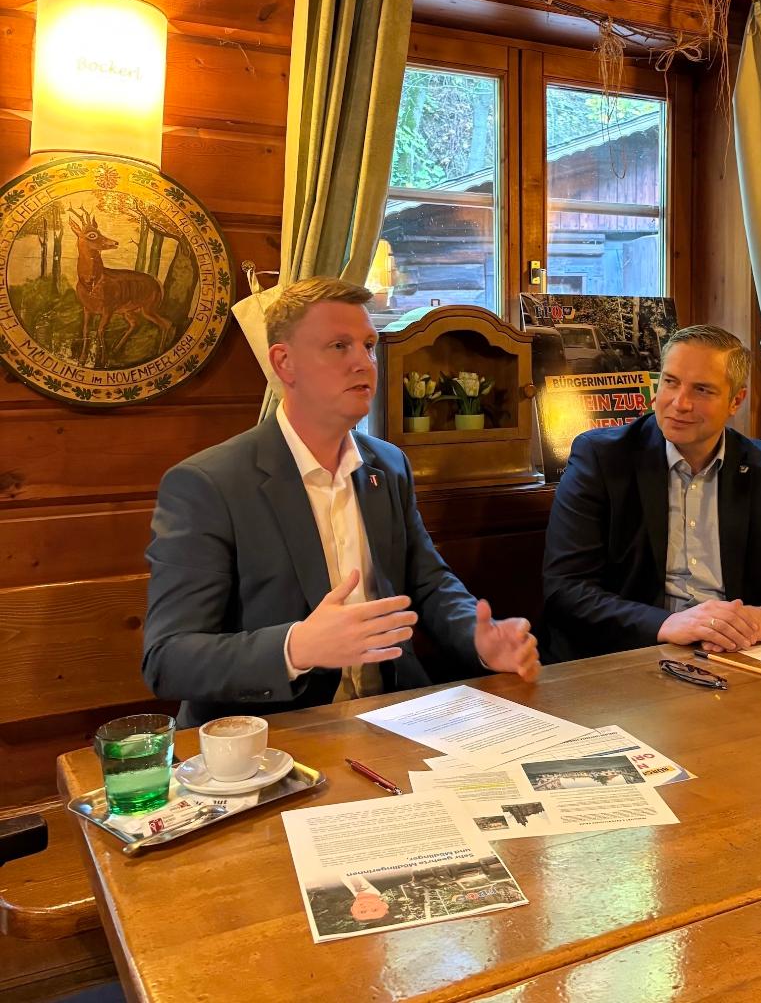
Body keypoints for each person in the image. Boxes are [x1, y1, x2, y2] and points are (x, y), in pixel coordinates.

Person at [143, 276, 540, 728]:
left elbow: (428, 583)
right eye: (338, 346)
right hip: (275, 734)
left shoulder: (388, 465)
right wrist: (297, 647)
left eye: (368, 346)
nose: (363, 363)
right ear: (285, 363)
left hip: (393, 717)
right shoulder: (207, 484)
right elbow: (168, 658)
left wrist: (480, 639)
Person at [542, 324, 761, 661]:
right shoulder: (602, 458)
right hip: (631, 655)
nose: (680, 403)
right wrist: (666, 624)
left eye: (702, 390)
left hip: (733, 655)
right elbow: (565, 588)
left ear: (736, 401)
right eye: (670, 382)